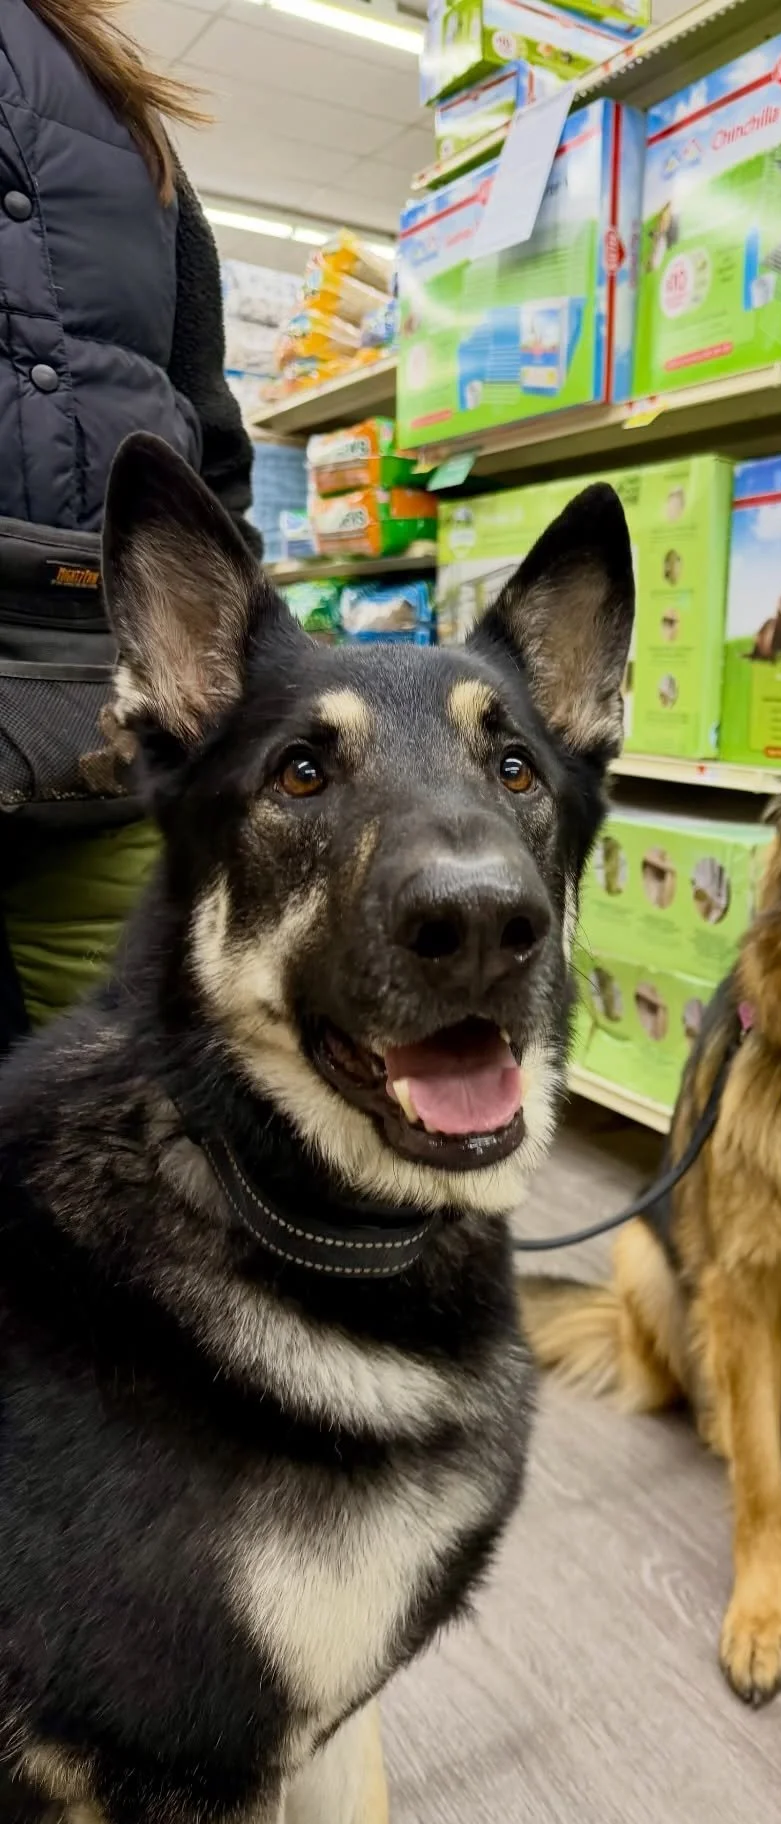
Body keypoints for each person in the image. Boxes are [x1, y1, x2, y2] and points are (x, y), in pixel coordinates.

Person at [0, 0, 261, 1054]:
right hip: (104, 706)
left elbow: (206, 438)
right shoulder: (115, 101)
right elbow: (210, 440)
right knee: (127, 1084)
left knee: (134, 1077)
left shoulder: (118, 100)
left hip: (105, 719)